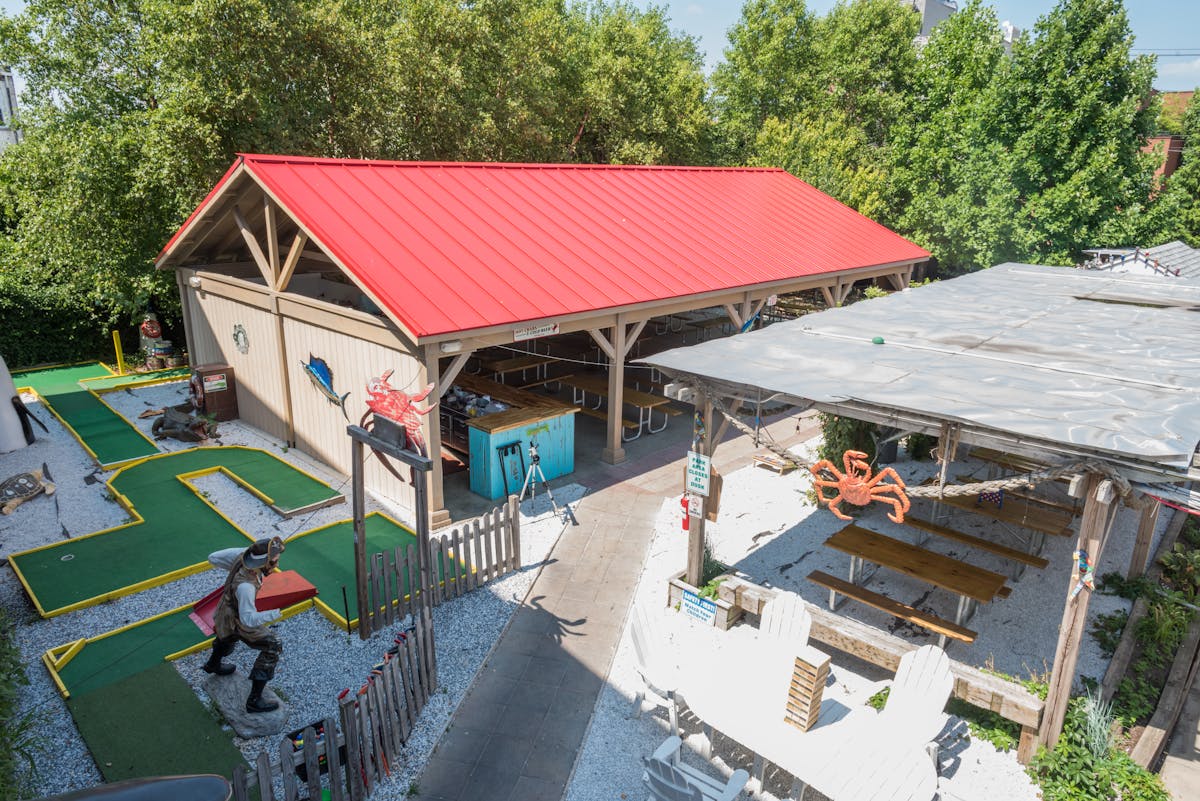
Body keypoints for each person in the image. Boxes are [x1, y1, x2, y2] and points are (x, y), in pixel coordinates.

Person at [202, 536, 286, 713]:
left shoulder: (241, 556)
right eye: (273, 562)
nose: (276, 565)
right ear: (262, 562)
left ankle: (212, 664)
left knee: (226, 638)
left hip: (225, 610)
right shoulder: (246, 587)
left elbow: (213, 557)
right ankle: (254, 701)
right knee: (273, 645)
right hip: (237, 618)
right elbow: (248, 619)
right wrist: (273, 614)